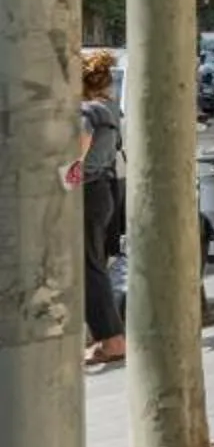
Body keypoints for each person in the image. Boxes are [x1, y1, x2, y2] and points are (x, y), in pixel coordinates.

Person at [76, 52, 126, 367]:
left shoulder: (85, 112)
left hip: (85, 192)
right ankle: (107, 338)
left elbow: (76, 154)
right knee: (93, 265)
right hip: (104, 192)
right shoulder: (109, 109)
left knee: (89, 268)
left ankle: (111, 340)